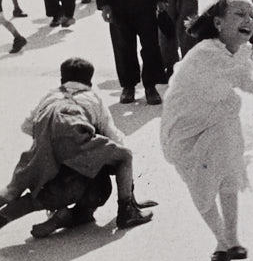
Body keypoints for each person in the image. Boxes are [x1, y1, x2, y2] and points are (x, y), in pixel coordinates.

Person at [160, 0, 253, 261]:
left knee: (228, 177)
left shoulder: (241, 50)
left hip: (220, 121)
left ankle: (229, 241)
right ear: (219, 23)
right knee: (202, 186)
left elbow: (246, 74)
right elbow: (234, 79)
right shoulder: (205, 53)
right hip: (188, 130)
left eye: (252, 15)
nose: (249, 20)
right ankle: (221, 239)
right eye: (240, 14)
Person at [0, 57, 152, 237]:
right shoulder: (92, 98)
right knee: (124, 157)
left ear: (62, 79)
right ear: (89, 81)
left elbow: (26, 126)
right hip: (79, 160)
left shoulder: (51, 95)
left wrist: (52, 143)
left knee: (26, 191)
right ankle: (127, 210)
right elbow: (114, 137)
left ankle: (15, 214)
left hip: (46, 159)